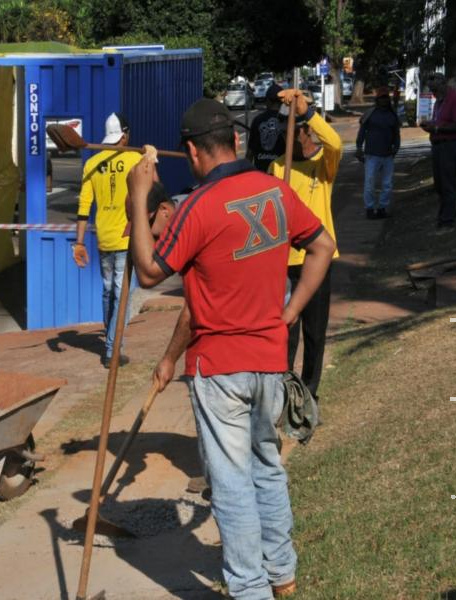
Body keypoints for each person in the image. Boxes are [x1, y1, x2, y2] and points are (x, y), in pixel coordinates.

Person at [127, 98, 335, 600]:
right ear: (237, 141)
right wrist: (290, 311)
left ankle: (249, 589)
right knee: (266, 465)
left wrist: (137, 198)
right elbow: (323, 245)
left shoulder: (197, 207)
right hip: (269, 361)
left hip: (220, 369)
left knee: (232, 482)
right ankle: (281, 573)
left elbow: (150, 272)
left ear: (194, 152)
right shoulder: (276, 191)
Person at [269, 89, 342, 402]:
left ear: (305, 131)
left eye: (295, 130)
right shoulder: (276, 167)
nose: (290, 136)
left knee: (315, 331)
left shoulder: (324, 164)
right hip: (286, 261)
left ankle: (310, 393)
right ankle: (284, 390)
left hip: (319, 261)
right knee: (286, 331)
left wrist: (307, 110)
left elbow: (336, 143)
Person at [74, 112, 143, 367]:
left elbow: (84, 206)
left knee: (108, 291)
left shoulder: (93, 163)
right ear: (124, 135)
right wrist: (150, 155)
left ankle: (110, 339)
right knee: (123, 292)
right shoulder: (135, 158)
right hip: (126, 239)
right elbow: (152, 188)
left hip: (103, 238)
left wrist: (79, 242)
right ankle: (113, 349)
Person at [420, 73, 456, 233]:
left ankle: (448, 222)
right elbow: (439, 120)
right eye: (431, 89)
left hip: (449, 145)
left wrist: (437, 128)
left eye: (434, 89)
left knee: (447, 184)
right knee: (439, 184)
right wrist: (430, 124)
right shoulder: (439, 101)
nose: (432, 92)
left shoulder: (455, 98)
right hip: (438, 145)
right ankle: (443, 217)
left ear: (443, 85)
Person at [356, 86, 400, 219]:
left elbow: (396, 134)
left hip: (388, 155)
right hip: (371, 155)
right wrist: (358, 148)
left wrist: (396, 148)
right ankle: (369, 209)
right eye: (381, 98)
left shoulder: (392, 115)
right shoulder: (370, 114)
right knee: (369, 183)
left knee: (387, 184)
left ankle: (382, 208)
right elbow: (362, 132)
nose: (384, 101)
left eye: (386, 98)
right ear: (377, 100)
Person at [247, 83, 286, 173]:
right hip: (281, 173)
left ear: (268, 101)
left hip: (261, 173)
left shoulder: (257, 120)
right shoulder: (286, 121)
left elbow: (250, 152)